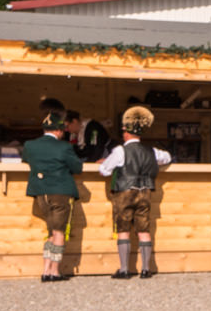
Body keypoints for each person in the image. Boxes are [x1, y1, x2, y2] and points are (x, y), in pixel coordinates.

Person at [97, 106, 171, 279]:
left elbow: (104, 171)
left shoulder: (120, 151)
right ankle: (145, 269)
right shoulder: (151, 151)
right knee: (143, 230)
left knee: (123, 229)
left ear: (126, 133)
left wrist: (105, 161)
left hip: (124, 192)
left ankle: (124, 269)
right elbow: (167, 157)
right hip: (145, 192)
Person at [22, 110, 81, 282]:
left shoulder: (30, 145)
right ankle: (54, 271)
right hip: (61, 191)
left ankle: (45, 270)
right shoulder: (64, 147)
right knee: (59, 232)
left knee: (51, 232)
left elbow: (26, 160)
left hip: (41, 192)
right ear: (58, 130)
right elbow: (77, 168)